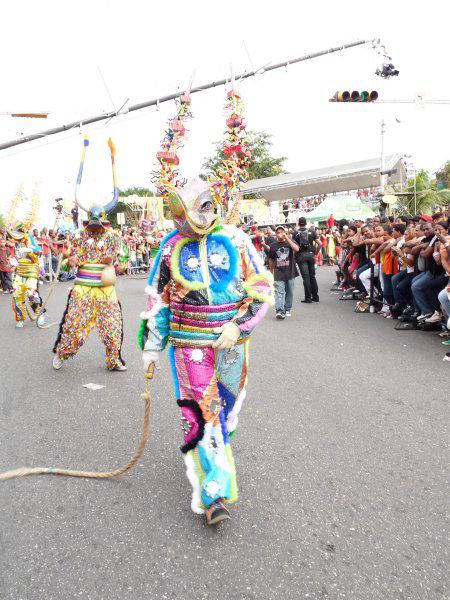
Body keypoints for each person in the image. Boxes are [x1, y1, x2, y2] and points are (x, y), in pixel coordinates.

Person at [140, 88, 273, 526]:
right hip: (190, 342)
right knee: (205, 411)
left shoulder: (236, 239)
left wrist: (242, 327)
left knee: (229, 413)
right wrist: (152, 345)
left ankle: (216, 448)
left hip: (232, 340)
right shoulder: (169, 247)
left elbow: (261, 290)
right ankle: (214, 491)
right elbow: (157, 298)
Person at [53, 136, 126, 372]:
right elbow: (64, 265)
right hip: (83, 288)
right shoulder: (77, 236)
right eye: (92, 223)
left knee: (113, 327)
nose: (95, 228)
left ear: (104, 222)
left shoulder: (114, 237)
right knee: (73, 327)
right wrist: (69, 261)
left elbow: (123, 262)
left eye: (99, 224)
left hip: (106, 289)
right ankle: (62, 353)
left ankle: (113, 359)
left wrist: (114, 264)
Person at [269, 225, 299, 318]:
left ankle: (287, 309)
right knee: (279, 292)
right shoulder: (273, 246)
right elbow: (271, 260)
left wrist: (286, 237)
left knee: (290, 292)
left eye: (282, 231)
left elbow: (296, 249)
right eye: (278, 232)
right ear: (276, 234)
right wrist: (271, 273)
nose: (280, 234)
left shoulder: (289, 242)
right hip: (278, 272)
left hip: (290, 271)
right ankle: (279, 311)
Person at [294, 216, 321, 303]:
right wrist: (315, 253)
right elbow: (320, 244)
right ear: (306, 223)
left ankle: (308, 298)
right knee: (312, 276)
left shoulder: (295, 233)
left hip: (301, 256)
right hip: (311, 255)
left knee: (306, 278)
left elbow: (294, 247)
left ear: (298, 224)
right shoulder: (312, 231)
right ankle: (316, 297)